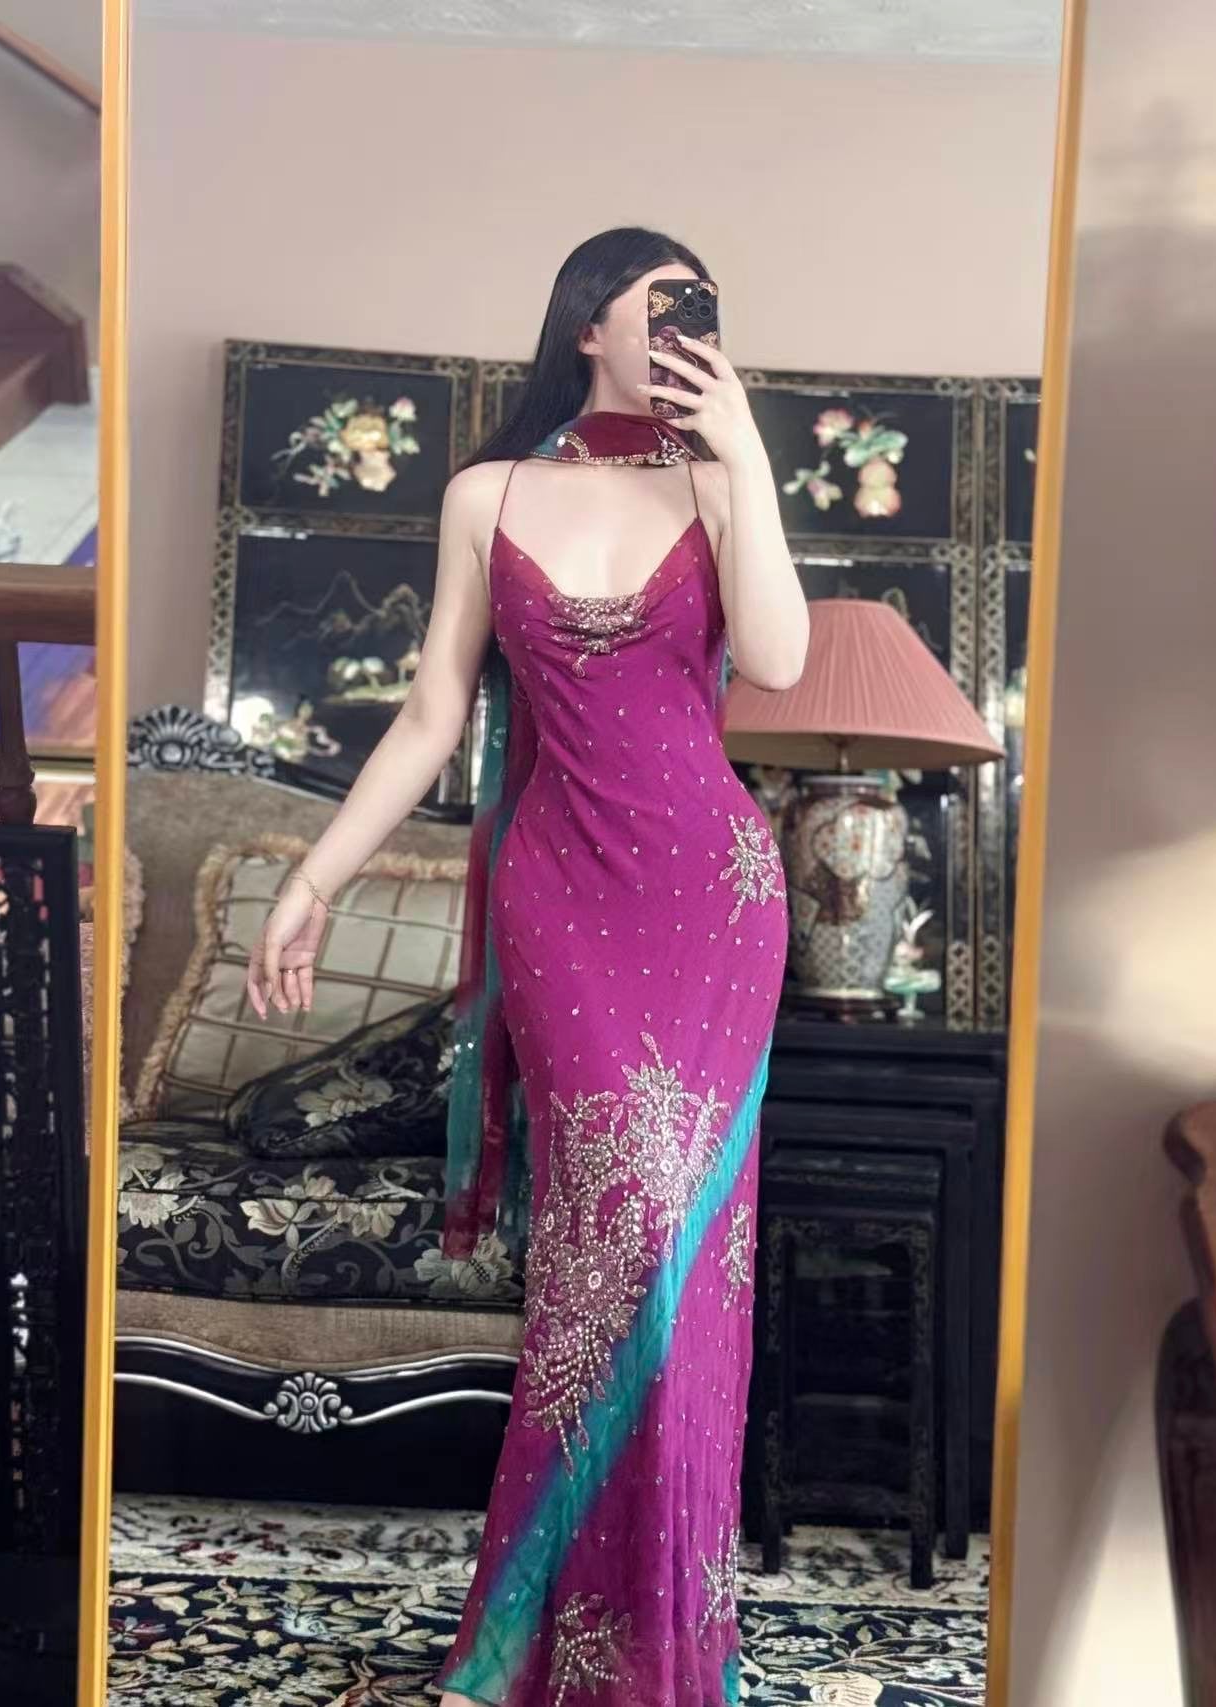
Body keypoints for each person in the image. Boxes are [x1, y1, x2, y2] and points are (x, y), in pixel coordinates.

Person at [246, 226, 809, 1707]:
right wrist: (313, 879)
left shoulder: (718, 481)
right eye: (658, 305)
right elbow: (433, 715)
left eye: (700, 309)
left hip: (713, 900)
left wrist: (746, 456)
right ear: (586, 327)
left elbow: (780, 661)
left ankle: (664, 1647)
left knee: (679, 1268)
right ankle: (535, 1643)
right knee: (605, 1252)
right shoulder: (485, 495)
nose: (684, 329)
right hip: (563, 904)